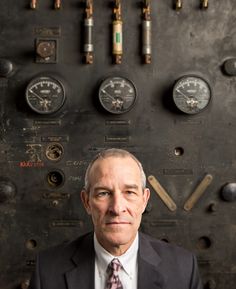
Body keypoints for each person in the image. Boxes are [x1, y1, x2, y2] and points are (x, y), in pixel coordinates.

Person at [29, 148, 203, 289]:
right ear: (86, 201)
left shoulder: (183, 268)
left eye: (129, 192)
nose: (117, 208)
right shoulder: (47, 270)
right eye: (104, 193)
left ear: (144, 200)